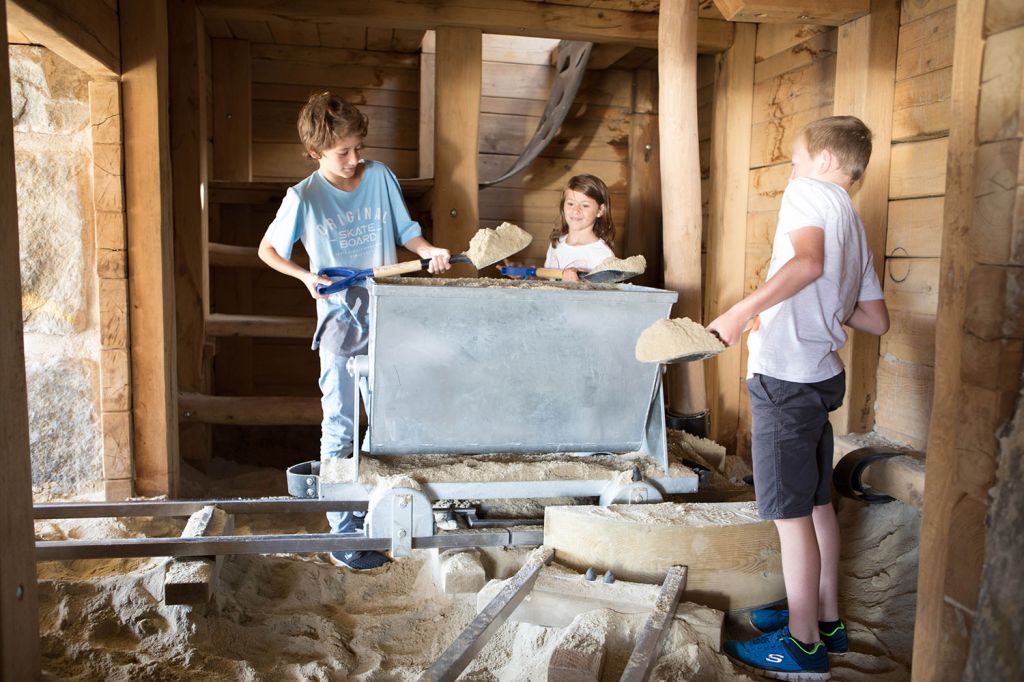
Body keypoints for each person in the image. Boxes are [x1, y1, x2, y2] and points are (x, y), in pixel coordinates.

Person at [708, 115, 890, 680]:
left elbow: (807, 264)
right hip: (817, 376)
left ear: (826, 162)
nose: (792, 169)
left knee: (789, 517)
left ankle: (804, 645)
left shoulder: (807, 192)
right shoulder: (854, 223)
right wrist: (804, 312)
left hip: (784, 378)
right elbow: (874, 318)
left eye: (795, 158)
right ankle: (826, 620)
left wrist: (742, 311)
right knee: (815, 505)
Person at [257, 92, 451, 570]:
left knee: (388, 422)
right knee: (341, 424)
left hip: (389, 315)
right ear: (314, 152)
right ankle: (343, 535)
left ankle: (379, 519)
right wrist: (307, 278)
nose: (354, 159)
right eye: (342, 152)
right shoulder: (303, 197)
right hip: (341, 320)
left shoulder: (380, 176)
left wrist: (427, 250)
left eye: (357, 147)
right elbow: (268, 250)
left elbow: (407, 231)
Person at [544, 174, 615, 281]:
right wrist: (523, 276)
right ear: (563, 206)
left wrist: (578, 285)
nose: (576, 210)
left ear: (600, 210)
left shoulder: (604, 256)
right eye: (570, 203)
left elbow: (605, 295)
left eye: (585, 205)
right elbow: (546, 282)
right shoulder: (556, 243)